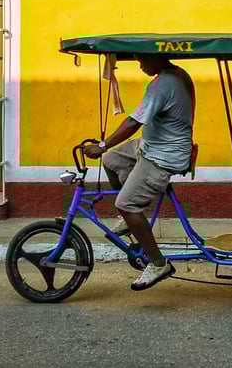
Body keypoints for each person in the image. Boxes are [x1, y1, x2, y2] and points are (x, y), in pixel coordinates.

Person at [83, 56, 195, 290]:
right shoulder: (177, 74)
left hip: (164, 154)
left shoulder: (161, 85)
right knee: (111, 159)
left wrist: (103, 144)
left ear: (158, 58)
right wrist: (107, 150)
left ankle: (158, 262)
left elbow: (134, 122)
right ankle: (131, 217)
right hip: (151, 145)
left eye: (143, 60)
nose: (141, 65)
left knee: (125, 203)